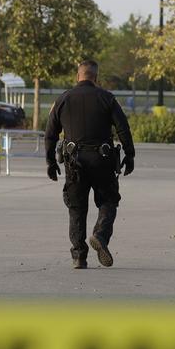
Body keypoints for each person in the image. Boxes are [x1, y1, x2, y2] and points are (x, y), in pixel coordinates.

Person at [45, 60, 135, 269]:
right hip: (102, 160)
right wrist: (129, 155)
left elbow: (50, 133)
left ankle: (79, 256)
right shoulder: (106, 98)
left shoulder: (64, 99)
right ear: (96, 77)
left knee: (76, 208)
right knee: (109, 201)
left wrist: (50, 161)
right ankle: (100, 235)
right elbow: (123, 128)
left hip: (74, 161)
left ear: (78, 76)